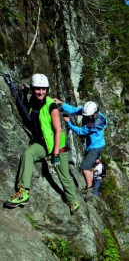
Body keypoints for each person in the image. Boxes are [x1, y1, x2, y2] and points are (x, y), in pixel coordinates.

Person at [4, 74, 80, 215]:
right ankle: (23, 192)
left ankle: (72, 200)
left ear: (47, 89)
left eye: (43, 89)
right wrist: (23, 92)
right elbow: (26, 109)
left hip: (57, 146)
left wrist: (56, 153)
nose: (41, 92)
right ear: (33, 89)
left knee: (63, 176)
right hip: (43, 144)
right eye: (38, 89)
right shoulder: (33, 100)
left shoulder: (52, 106)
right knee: (27, 154)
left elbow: (58, 131)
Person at [53, 98, 107, 202]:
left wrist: (69, 123)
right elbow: (73, 110)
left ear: (94, 113)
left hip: (95, 147)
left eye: (87, 116)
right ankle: (89, 188)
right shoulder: (88, 111)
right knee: (89, 167)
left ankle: (90, 190)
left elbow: (81, 131)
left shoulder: (95, 123)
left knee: (85, 167)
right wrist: (61, 103)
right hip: (93, 146)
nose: (85, 117)